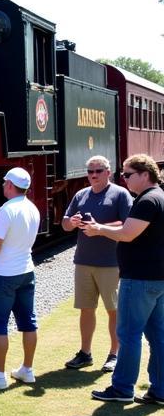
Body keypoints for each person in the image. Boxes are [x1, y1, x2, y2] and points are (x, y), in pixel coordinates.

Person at [80, 155, 164, 404]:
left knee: (128, 334)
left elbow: (127, 234)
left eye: (128, 174)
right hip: (156, 278)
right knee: (158, 336)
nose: (124, 179)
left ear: (144, 174)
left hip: (139, 278)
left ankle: (122, 388)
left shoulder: (147, 200)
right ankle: (160, 390)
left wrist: (99, 229)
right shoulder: (158, 196)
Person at [60, 155, 131, 372]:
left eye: (98, 171)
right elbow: (64, 224)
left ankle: (114, 354)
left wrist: (99, 226)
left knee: (114, 310)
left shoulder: (120, 194)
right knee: (86, 309)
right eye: (90, 171)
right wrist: (71, 223)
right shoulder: (81, 194)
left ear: (108, 172)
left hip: (111, 262)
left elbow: (127, 224)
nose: (93, 175)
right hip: (83, 261)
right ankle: (85, 353)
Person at [0, 167, 41, 390]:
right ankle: (27, 369)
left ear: (11, 185)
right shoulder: (32, 208)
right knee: (28, 321)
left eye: (5, 183)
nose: (3, 186)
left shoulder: (6, 210)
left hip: (4, 273)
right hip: (26, 270)